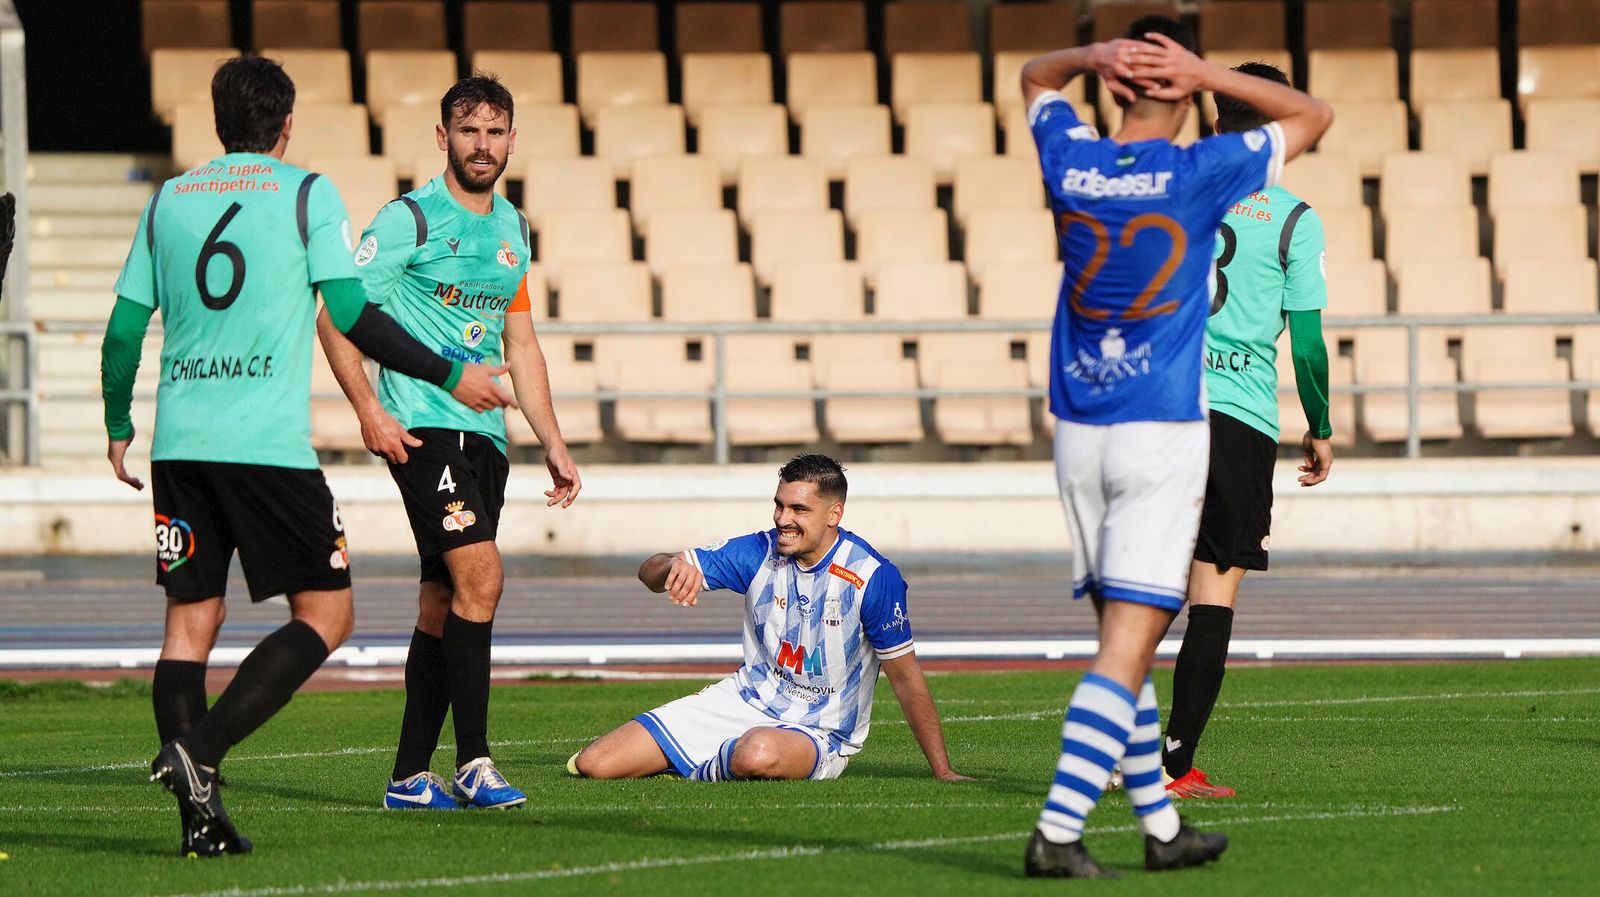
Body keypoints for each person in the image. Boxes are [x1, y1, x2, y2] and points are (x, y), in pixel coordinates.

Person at [101, 55, 517, 856]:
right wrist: (449, 371)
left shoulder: (167, 201)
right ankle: (201, 750)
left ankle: (200, 821)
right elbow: (353, 312)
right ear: (286, 125)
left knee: (190, 624)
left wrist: (116, 421)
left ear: (216, 122)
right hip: (266, 449)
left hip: (178, 444)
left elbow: (124, 331)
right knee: (327, 614)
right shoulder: (305, 193)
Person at [1018, 18, 1331, 878]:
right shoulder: (1201, 170)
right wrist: (1205, 70)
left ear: (1116, 86)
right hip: (1158, 427)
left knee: (1131, 637)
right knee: (1128, 645)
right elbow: (1314, 113)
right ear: (1186, 93)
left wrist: (1084, 58)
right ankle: (1057, 829)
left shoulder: (1073, 161)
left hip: (1077, 428)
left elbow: (1035, 81)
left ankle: (1160, 830)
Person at [316, 74, 581, 811]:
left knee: (443, 601)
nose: (482, 145)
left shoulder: (513, 229)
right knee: (484, 578)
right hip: (422, 425)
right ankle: (474, 762)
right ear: (443, 138)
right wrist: (369, 408)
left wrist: (552, 439)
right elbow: (334, 316)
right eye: (469, 131)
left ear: (512, 140)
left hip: (487, 438)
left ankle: (407, 777)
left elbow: (521, 344)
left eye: (496, 132)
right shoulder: (409, 219)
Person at [569, 454, 968, 784]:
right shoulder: (759, 550)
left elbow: (905, 677)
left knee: (757, 753)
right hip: (743, 701)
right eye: (779, 504)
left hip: (820, 733)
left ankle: (696, 768)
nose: (782, 519)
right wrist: (673, 566)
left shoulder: (872, 577)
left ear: (834, 514)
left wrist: (943, 770)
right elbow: (649, 572)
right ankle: (711, 758)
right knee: (596, 764)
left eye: (799, 509)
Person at [1161, 62, 1335, 801]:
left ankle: (1107, 744)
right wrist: (1320, 424)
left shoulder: (1178, 192)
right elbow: (1304, 343)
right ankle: (1174, 764)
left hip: (1163, 409)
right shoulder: (1295, 216)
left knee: (1146, 587)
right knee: (1214, 590)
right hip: (1238, 415)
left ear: (1212, 117)